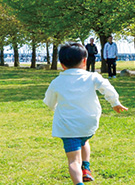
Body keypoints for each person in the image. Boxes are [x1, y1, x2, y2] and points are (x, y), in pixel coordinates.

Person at [44, 42, 128, 185]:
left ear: (62, 64)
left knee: (73, 160)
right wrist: (115, 102)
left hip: (68, 126)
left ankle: (79, 182)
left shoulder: (57, 82)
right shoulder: (92, 77)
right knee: (84, 141)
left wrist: (55, 108)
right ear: (84, 61)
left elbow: (49, 102)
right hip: (88, 123)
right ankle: (86, 168)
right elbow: (107, 87)